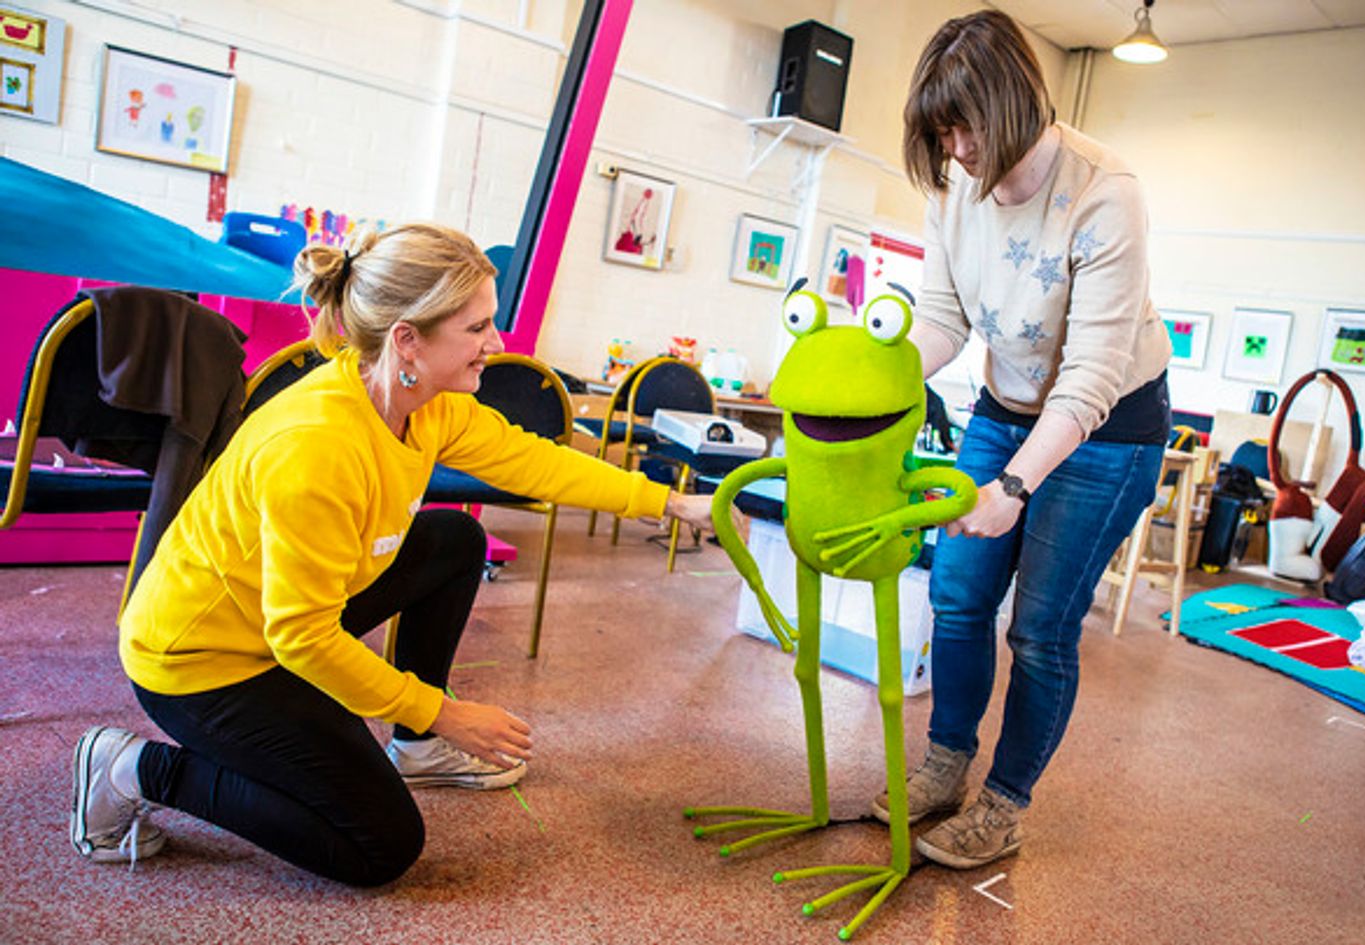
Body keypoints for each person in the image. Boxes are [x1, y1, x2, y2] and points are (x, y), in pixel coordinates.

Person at [70, 222, 712, 883]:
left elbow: (531, 460)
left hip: (274, 621)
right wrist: (445, 712)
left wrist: (670, 503)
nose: (497, 343)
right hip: (201, 661)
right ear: (408, 339)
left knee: (454, 541)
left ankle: (418, 750)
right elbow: (303, 637)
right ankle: (133, 768)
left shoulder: (420, 401)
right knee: (381, 845)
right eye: (477, 327)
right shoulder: (317, 446)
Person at [871, 11, 1172, 869]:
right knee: (958, 593)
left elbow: (1090, 377)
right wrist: (872, 378)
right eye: (941, 133)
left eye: (965, 129)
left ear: (1013, 105)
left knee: (1039, 627)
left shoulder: (1105, 193)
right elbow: (943, 320)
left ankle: (1004, 803)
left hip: (1110, 427)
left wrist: (1014, 487)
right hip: (1002, 409)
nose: (956, 150)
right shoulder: (952, 186)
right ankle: (946, 761)